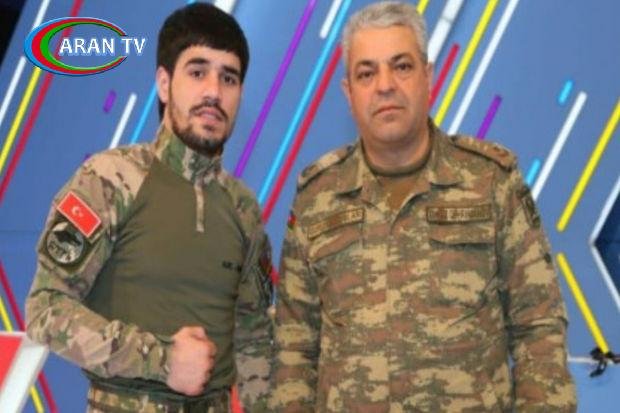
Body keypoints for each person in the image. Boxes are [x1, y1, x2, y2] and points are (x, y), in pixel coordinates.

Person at [270, 1, 577, 412]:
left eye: (401, 66)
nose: (385, 85)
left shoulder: (491, 181)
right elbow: (294, 346)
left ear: (428, 76)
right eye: (366, 73)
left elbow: (538, 326)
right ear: (348, 92)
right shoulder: (316, 197)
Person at [25, 3, 273, 412]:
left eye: (228, 78)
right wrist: (160, 359)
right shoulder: (109, 178)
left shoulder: (243, 207)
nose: (214, 91)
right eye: (197, 72)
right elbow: (46, 308)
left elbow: (255, 339)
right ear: (164, 83)